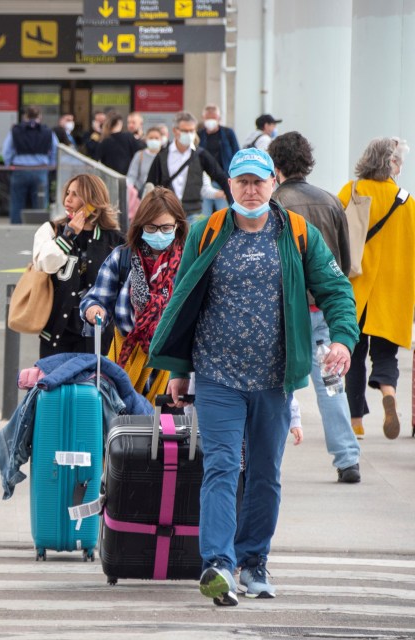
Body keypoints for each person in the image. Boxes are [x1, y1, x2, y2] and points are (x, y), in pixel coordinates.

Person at [148, 148, 358, 605]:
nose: (249, 190)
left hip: (275, 378)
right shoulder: (207, 232)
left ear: (273, 183)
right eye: (241, 181)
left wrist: (342, 338)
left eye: (258, 181)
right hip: (218, 374)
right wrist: (180, 372)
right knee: (222, 466)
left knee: (265, 474)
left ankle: (254, 561)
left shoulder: (298, 234)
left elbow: (337, 289)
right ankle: (218, 564)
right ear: (229, 187)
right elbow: (184, 305)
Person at [269, 132, 361, 482]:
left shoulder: (274, 203)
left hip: (285, 311)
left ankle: (268, 460)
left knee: (278, 388)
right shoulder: (329, 200)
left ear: (275, 166)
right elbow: (346, 261)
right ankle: (347, 459)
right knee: (331, 382)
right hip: (321, 310)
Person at [338, 137, 415, 441]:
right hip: (393, 290)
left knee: (353, 355)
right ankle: (388, 392)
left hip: (356, 286)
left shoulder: (352, 190)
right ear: (392, 163)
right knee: (386, 355)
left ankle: (356, 422)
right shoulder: (407, 201)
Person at [80, 187, 188, 404]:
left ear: (178, 226)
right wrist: (93, 309)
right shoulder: (122, 257)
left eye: (166, 227)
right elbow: (96, 299)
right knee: (124, 427)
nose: (159, 233)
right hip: (125, 360)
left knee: (167, 431)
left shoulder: (189, 260)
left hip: (172, 366)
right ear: (140, 227)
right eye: (152, 227)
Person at [32, 174, 124, 358]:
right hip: (57, 333)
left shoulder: (114, 240)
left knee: (91, 385)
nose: (68, 199)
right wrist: (68, 236)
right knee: (54, 384)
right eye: (67, 193)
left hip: (97, 335)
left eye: (76, 194)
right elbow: (45, 265)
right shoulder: (51, 230)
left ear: (93, 200)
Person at [146, 111, 232, 223]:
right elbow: (151, 182)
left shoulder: (201, 155)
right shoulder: (163, 155)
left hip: (194, 212)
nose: (189, 134)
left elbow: (220, 176)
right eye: (185, 131)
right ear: (175, 131)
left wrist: (232, 201)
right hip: (167, 211)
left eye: (192, 130)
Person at [3, 106, 58, 225]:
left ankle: (15, 227)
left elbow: (7, 150)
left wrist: (9, 165)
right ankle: (40, 228)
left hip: (20, 169)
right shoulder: (48, 132)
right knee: (41, 201)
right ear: (40, 117)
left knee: (17, 202)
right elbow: (55, 150)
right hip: (41, 169)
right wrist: (51, 165)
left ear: (25, 116)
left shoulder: (15, 130)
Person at [196, 104, 239, 217]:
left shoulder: (227, 133)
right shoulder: (200, 135)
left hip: (223, 177)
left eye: (213, 118)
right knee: (204, 215)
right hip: (205, 179)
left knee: (223, 213)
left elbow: (236, 152)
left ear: (219, 118)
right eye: (208, 118)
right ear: (203, 118)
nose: (210, 120)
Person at [126, 126, 164, 197]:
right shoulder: (140, 155)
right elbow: (131, 176)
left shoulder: (164, 157)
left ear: (161, 140)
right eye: (151, 138)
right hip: (141, 195)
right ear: (146, 139)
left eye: (156, 138)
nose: (154, 140)